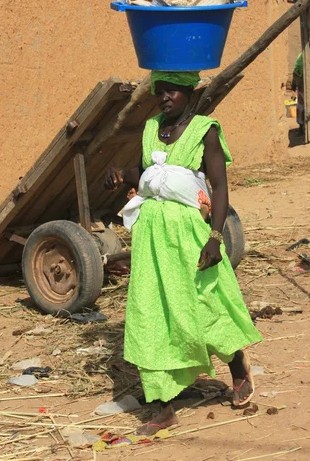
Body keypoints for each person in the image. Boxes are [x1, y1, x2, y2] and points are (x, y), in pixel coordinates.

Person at [104, 71, 262, 436]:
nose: (164, 98)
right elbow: (146, 171)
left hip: (189, 232)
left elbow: (219, 187)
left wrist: (215, 237)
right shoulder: (150, 128)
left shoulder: (205, 130)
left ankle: (236, 363)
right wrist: (120, 175)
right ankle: (162, 407)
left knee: (204, 304)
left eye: (172, 91)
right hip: (151, 234)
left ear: (189, 92)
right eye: (160, 92)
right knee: (151, 312)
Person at [292, 53, 304, 135]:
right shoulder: (302, 56)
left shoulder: (301, 56)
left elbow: (296, 71)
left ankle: (301, 129)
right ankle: (301, 129)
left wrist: (294, 83)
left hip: (302, 87)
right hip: (301, 88)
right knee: (301, 108)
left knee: (301, 108)